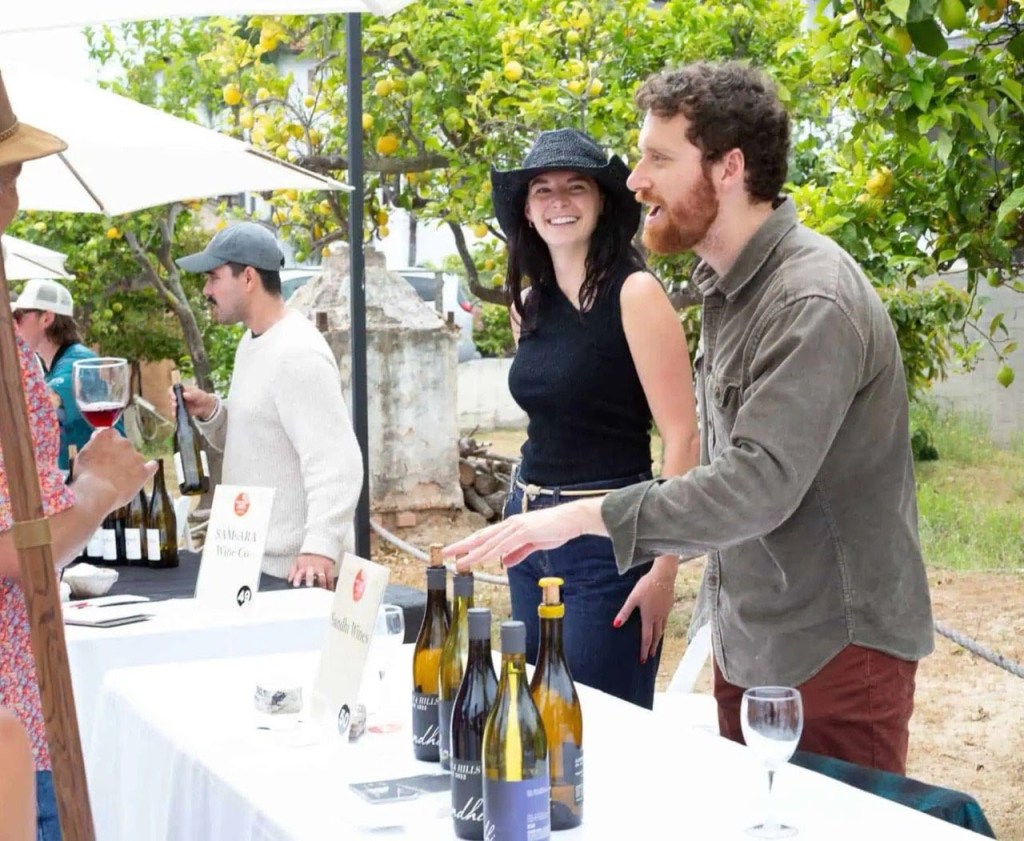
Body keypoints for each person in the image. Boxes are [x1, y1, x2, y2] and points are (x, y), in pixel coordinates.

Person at [447, 62, 934, 774]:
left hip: (831, 647)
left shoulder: (810, 298)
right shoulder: (730, 290)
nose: (636, 181)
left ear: (728, 168)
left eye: (658, 159)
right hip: (750, 637)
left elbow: (755, 484)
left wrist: (582, 518)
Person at [488, 128, 699, 709]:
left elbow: (682, 437)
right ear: (527, 211)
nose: (558, 201)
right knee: (532, 717)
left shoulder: (635, 294)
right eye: (543, 189)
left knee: (597, 726)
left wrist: (664, 571)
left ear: (602, 201)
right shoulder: (528, 306)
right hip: (527, 529)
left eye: (575, 187)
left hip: (607, 543)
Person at [0, 67, 156, 840]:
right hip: (11, 707)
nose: (15, 195)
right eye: (10, 173)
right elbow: (11, 548)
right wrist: (96, 489)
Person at [173, 223, 362, 590]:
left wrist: (320, 547)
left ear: (248, 278)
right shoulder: (253, 342)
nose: (206, 290)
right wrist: (212, 411)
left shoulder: (297, 354)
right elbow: (259, 442)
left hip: (295, 573)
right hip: (250, 563)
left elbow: (337, 462)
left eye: (213, 277)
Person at [11, 278, 121, 471]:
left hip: (106, 481)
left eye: (18, 317)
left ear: (46, 318)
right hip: (86, 478)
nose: (13, 325)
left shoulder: (78, 363)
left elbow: (39, 409)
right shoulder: (53, 367)